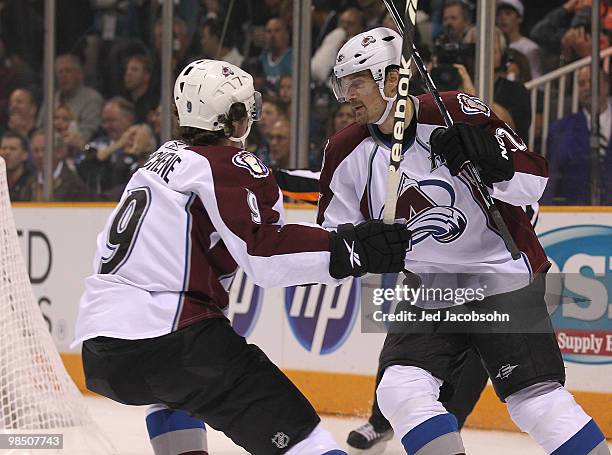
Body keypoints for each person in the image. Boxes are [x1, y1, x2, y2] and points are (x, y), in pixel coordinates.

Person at [72, 59, 411, 455]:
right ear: (234, 117)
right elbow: (264, 253)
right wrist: (352, 249)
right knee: (302, 438)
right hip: (174, 337)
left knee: (173, 392)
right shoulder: (230, 166)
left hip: (103, 351)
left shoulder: (164, 158)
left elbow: (270, 181)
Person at [322, 27, 610, 455]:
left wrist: (495, 162)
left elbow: (533, 183)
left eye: (357, 82)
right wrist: (363, 245)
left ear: (391, 79)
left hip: (500, 277)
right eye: (344, 84)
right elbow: (335, 234)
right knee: (399, 389)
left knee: (533, 402)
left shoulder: (458, 110)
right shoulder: (344, 149)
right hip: (428, 288)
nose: (349, 95)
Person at [543, 65, 612, 205]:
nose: (587, 87)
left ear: (606, 85)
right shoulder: (560, 129)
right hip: (574, 219)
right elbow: (551, 179)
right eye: (581, 84)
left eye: (592, 82)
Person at [0, 131, 34, 201]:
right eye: (3, 148)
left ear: (25, 154)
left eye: (12, 149)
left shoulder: (33, 182)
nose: (7, 152)